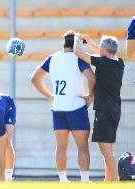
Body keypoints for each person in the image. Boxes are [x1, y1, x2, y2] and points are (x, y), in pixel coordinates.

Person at [30, 30, 96, 182]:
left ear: (64, 43)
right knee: (82, 146)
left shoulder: (53, 58)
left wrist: (49, 95)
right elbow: (92, 79)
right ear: (77, 44)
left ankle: (62, 179)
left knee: (61, 146)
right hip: (76, 107)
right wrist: (90, 96)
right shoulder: (78, 58)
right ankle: (85, 180)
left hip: (58, 107)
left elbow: (34, 78)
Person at [74, 33, 124, 181]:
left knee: (105, 149)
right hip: (114, 110)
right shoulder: (118, 62)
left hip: (105, 112)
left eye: (101, 46)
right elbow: (101, 53)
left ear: (105, 49)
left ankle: (114, 182)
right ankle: (108, 180)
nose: (99, 47)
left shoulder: (103, 63)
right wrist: (89, 41)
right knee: (108, 148)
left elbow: (78, 52)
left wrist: (77, 39)